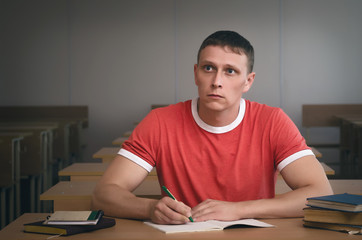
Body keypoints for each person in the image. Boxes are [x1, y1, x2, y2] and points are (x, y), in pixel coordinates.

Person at [91, 30, 333, 224]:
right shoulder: (159, 122)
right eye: (209, 68)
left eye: (230, 71)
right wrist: (149, 207)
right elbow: (104, 194)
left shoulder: (272, 121)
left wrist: (238, 210)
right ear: (196, 74)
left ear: (248, 81)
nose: (217, 82)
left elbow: (320, 193)